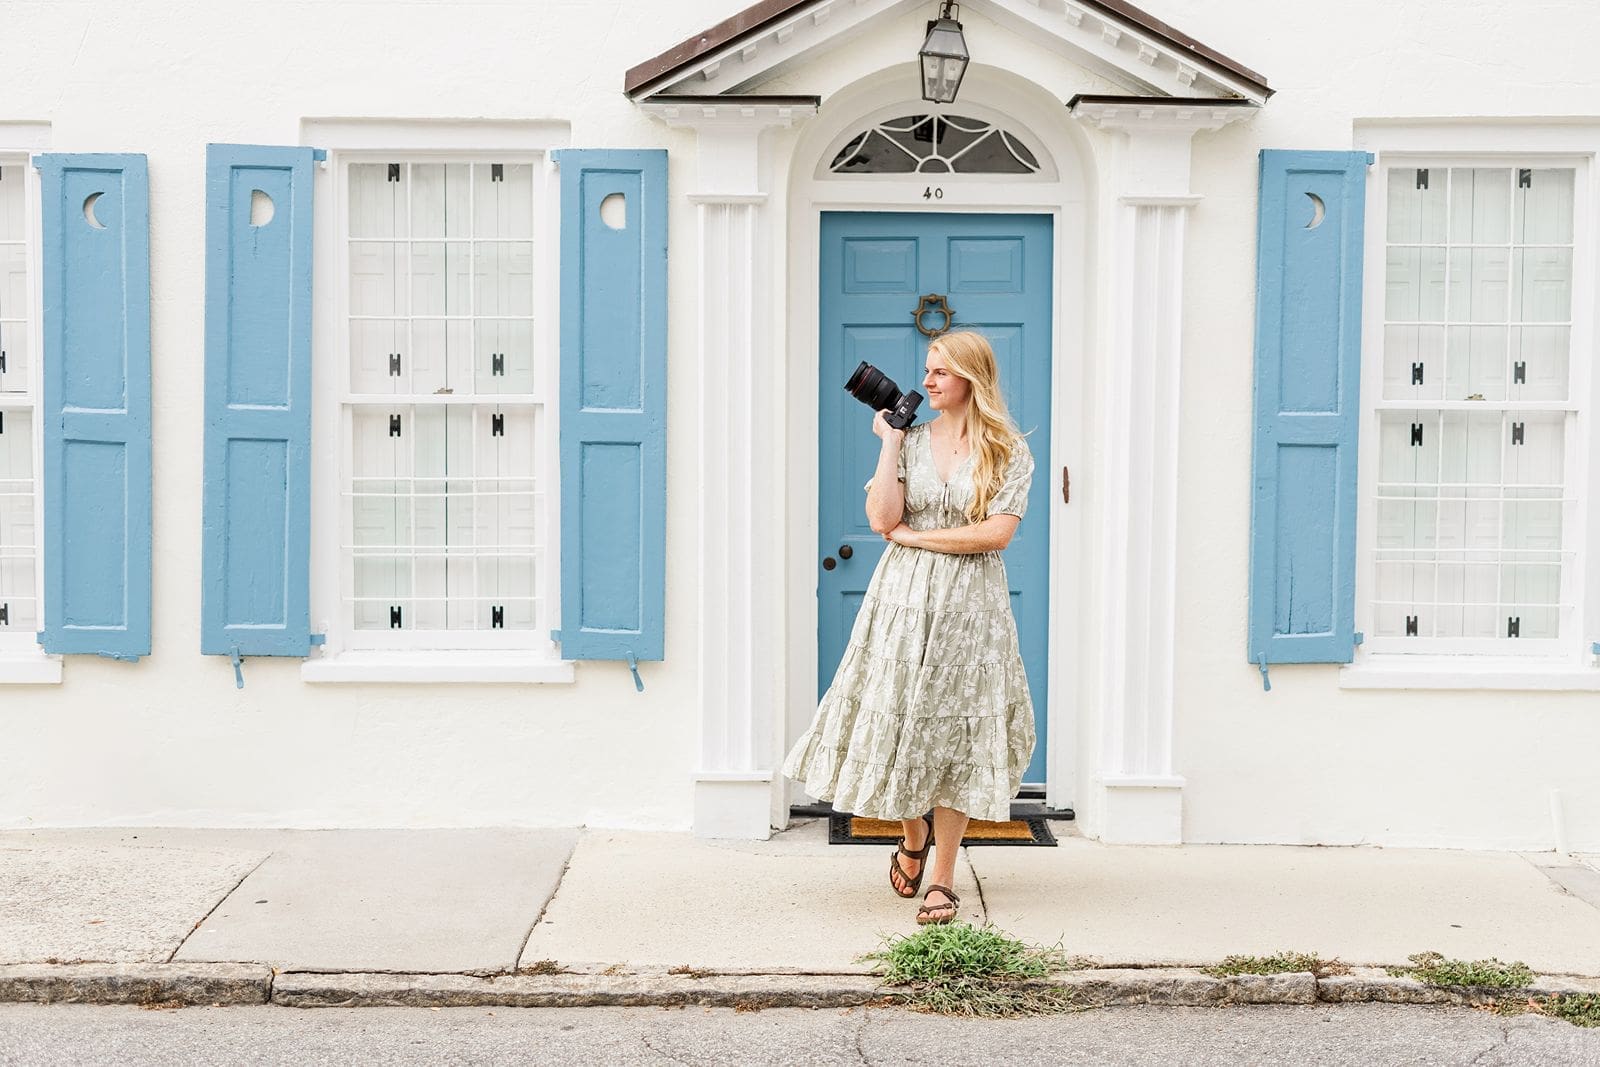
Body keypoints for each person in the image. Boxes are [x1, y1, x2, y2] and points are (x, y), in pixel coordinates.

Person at [784, 330, 1036, 925]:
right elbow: (881, 519)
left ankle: (942, 879)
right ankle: (912, 833)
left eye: (940, 373)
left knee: (958, 736)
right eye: (926, 370)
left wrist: (920, 539)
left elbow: (995, 534)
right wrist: (891, 443)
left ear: (972, 379)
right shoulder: (913, 440)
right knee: (901, 719)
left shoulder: (1008, 452)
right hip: (901, 603)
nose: (926, 382)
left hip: (972, 609)